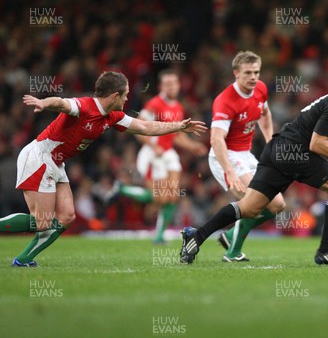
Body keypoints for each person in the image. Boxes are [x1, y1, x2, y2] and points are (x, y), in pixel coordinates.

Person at [180, 63, 328, 265]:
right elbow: (317, 144)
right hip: (294, 151)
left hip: (278, 149)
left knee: (249, 207)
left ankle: (195, 235)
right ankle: (326, 250)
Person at [0, 71, 207, 267]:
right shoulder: (85, 105)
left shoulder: (113, 116)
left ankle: (24, 259)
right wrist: (44, 102)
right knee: (42, 221)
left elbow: (145, 127)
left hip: (56, 161)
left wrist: (179, 126)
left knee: (67, 217)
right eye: (125, 96)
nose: (127, 100)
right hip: (39, 157)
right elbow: (62, 103)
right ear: (115, 95)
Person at [208, 51, 285, 262]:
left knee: (277, 204)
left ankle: (231, 236)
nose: (253, 77)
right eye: (248, 72)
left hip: (245, 154)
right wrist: (230, 172)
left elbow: (265, 115)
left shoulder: (260, 89)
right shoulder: (225, 101)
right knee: (253, 204)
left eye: (256, 72)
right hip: (225, 155)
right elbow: (216, 139)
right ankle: (233, 252)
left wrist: (271, 143)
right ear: (236, 73)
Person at [116, 69, 207, 243]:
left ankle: (159, 236)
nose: (171, 87)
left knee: (172, 195)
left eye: (174, 83)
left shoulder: (178, 107)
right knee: (161, 196)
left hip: (168, 154)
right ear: (161, 86)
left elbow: (176, 136)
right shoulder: (154, 104)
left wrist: (192, 146)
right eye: (167, 84)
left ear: (179, 86)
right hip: (153, 153)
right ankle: (122, 189)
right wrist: (152, 145)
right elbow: (138, 128)